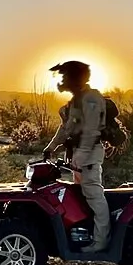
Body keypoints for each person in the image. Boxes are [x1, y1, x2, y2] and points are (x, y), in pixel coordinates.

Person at [42, 60, 110, 253]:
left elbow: (90, 130)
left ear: (75, 77)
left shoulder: (91, 99)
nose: (62, 80)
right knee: (80, 197)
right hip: (78, 157)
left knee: (94, 196)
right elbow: (65, 129)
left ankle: (102, 241)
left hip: (88, 156)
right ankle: (84, 235)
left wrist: (81, 154)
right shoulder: (76, 101)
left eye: (65, 76)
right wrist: (51, 148)